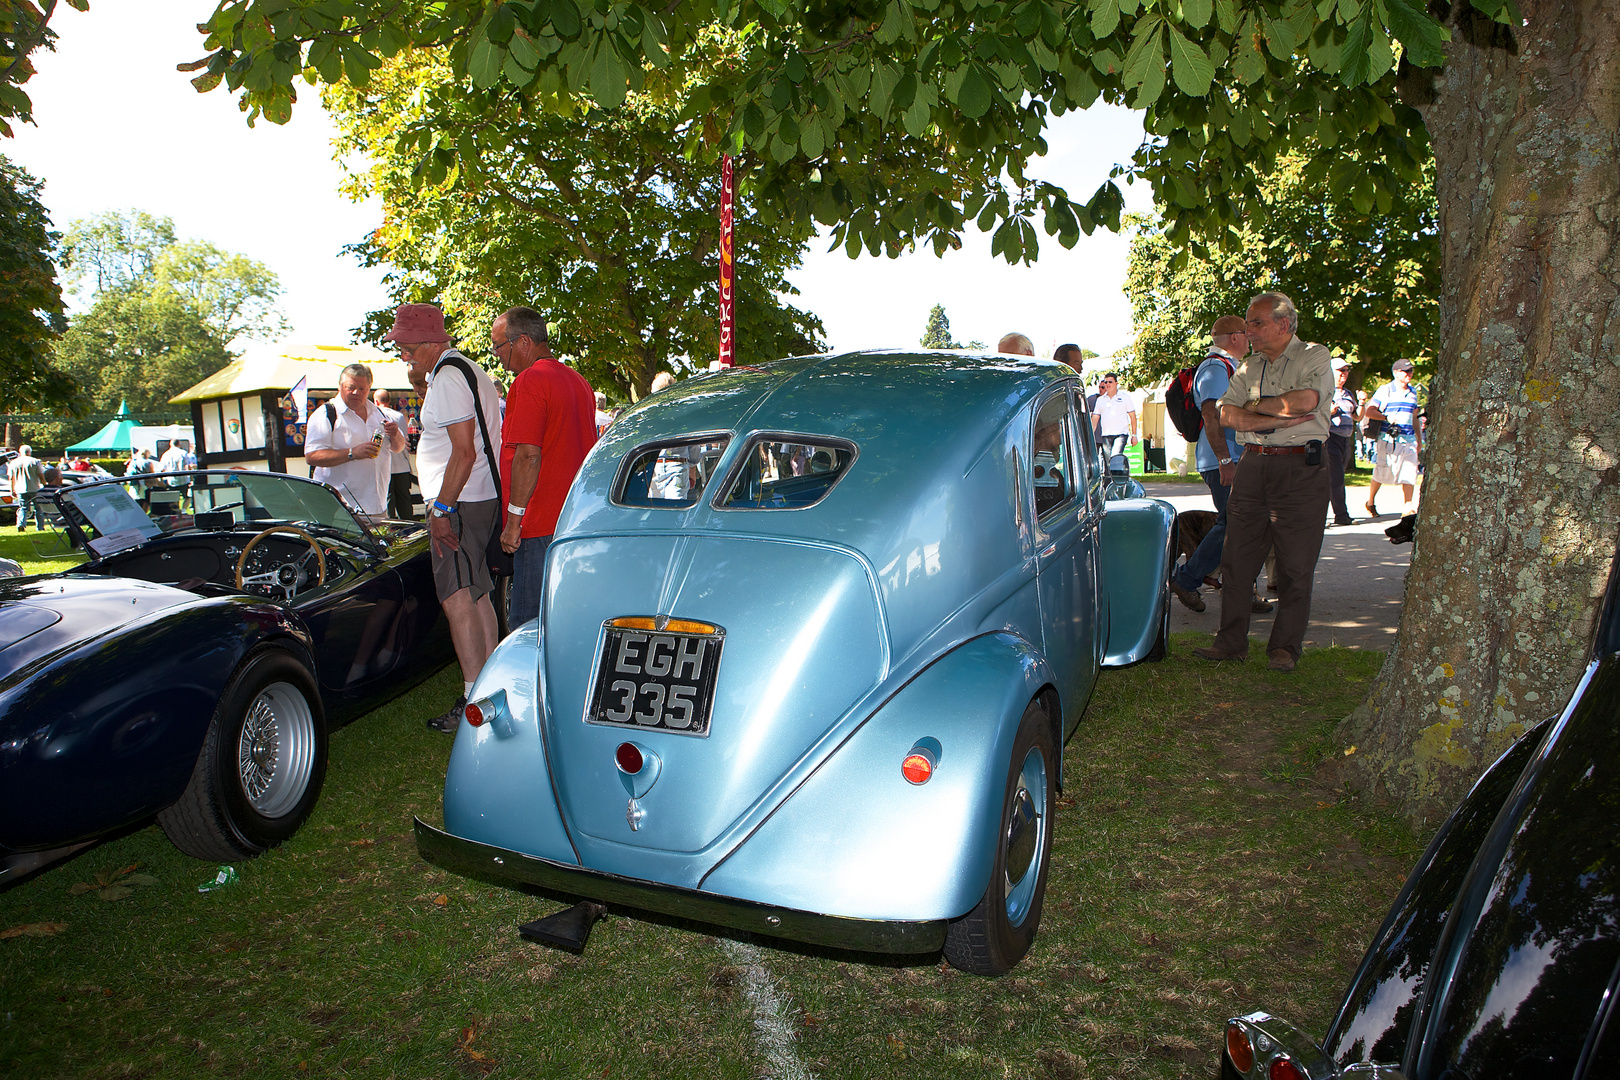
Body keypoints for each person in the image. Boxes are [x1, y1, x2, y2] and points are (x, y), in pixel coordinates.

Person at [1192, 291, 1332, 673]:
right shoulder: (1249, 366)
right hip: (1253, 466)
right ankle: (1230, 643)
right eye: (1248, 324)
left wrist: (1252, 409)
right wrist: (1274, 416)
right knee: (1237, 561)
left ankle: (1284, 649)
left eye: (1256, 323)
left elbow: (1305, 400)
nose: (1248, 330)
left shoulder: (1314, 356)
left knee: (1295, 566)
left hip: (1301, 470)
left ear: (1283, 324)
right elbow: (1226, 415)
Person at [386, 303, 503, 733]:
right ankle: (491, 689)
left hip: (460, 502)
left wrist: (442, 508)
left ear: (432, 341)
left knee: (458, 599)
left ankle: (475, 700)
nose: (404, 355)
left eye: (408, 347)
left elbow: (464, 451)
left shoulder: (450, 376)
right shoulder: (462, 370)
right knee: (476, 595)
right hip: (474, 498)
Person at [490, 305, 597, 629]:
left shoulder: (530, 381)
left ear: (522, 342)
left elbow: (527, 455)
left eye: (499, 347)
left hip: (539, 523)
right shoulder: (578, 381)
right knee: (565, 619)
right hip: (574, 518)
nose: (498, 357)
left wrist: (513, 521)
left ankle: (531, 682)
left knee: (529, 625)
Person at [1168, 316, 1247, 613]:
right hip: (1224, 460)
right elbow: (1212, 417)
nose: (1251, 339)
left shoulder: (1228, 367)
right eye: (1247, 333)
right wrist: (1225, 460)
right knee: (1234, 524)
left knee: (1240, 525)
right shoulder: (1216, 368)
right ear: (1236, 337)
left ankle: (1211, 582)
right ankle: (1187, 579)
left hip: (1229, 458)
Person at [303, 364, 406, 517]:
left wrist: (395, 434)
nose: (356, 392)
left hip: (378, 507)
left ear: (369, 388)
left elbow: (398, 448)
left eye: (362, 388)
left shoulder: (379, 414)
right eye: (350, 387)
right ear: (340, 386)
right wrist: (352, 453)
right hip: (339, 509)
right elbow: (312, 456)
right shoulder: (326, 414)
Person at [1363, 358, 1422, 517]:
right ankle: (1370, 501)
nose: (1409, 374)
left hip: (1408, 439)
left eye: (1411, 371)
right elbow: (1369, 411)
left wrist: (1419, 439)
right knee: (1383, 472)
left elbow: (1415, 417)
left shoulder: (1413, 392)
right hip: (1388, 439)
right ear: (1396, 373)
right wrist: (1385, 417)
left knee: (1410, 472)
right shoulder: (1385, 390)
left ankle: (1408, 507)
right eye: (1406, 371)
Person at [373, 387, 417, 519]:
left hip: (386, 467)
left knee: (388, 502)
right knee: (405, 501)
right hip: (402, 466)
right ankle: (410, 528)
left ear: (376, 402)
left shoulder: (376, 415)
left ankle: (391, 532)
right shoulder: (399, 416)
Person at [1326, 357, 1359, 526]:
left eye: (1346, 371)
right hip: (1330, 438)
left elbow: (1357, 416)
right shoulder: (1325, 391)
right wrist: (1329, 412)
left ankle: (1339, 513)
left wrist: (1363, 403)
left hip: (1345, 439)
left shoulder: (1348, 394)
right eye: (1340, 371)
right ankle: (1341, 515)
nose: (1344, 374)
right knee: (1335, 477)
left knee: (1337, 476)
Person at [1091, 371, 1138, 463]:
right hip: (1106, 435)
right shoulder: (1100, 400)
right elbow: (1095, 418)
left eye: (1110, 382)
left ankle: (1118, 475)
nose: (1108, 384)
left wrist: (1134, 435)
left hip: (1121, 434)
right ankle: (1111, 477)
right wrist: (1091, 435)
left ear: (1116, 383)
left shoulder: (1125, 398)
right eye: (1106, 382)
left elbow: (1132, 417)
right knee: (1108, 462)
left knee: (1115, 457)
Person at [7, 445, 44, 532]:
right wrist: (45, 485)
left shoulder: (13, 462)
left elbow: (11, 478)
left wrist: (12, 490)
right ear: (29, 452)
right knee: (38, 508)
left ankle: (21, 524)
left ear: (20, 452)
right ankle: (40, 527)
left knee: (23, 508)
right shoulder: (35, 461)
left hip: (20, 489)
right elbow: (41, 475)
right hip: (35, 488)